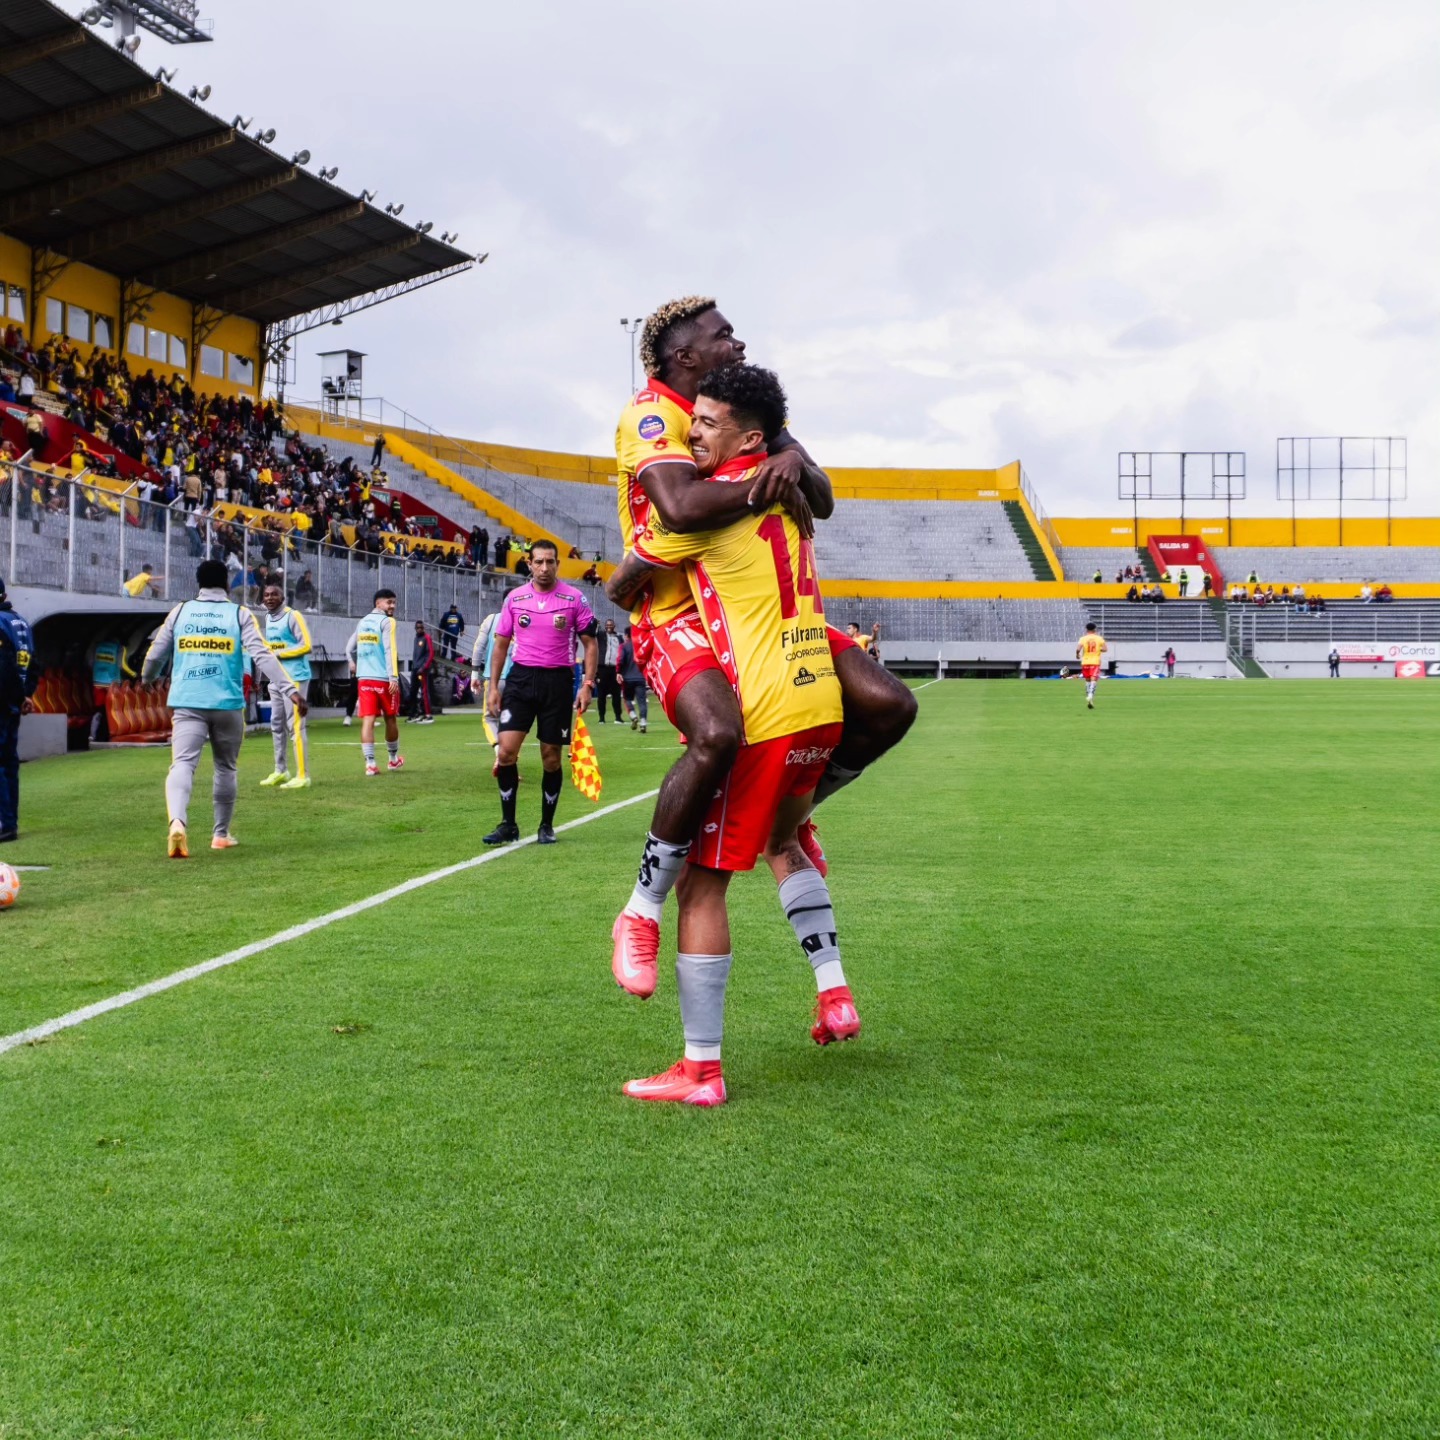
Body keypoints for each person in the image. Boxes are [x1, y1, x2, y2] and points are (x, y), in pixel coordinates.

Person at [606, 298, 917, 993]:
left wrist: (793, 463)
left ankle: (793, 814)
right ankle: (641, 911)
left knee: (888, 703)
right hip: (674, 605)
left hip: (757, 605)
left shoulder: (740, 407)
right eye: (723, 336)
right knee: (718, 734)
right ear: (685, 357)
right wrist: (767, 478)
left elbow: (824, 494)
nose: (738, 342)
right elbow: (680, 509)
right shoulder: (651, 415)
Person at [606, 364, 856, 1105]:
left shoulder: (709, 509)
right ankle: (834, 993)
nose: (692, 432)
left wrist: (643, 565)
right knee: (783, 843)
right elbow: (821, 493)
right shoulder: (791, 491)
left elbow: (625, 585)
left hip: (766, 716)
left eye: (707, 424)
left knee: (702, 887)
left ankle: (700, 1069)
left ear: (748, 437)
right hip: (821, 707)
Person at [141, 560, 305, 857]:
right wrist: (290, 689)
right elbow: (263, 655)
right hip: (227, 703)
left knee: (182, 764)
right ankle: (220, 834)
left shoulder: (180, 611)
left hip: (188, 700)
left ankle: (177, 822)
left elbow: (155, 653)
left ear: (198, 583)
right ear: (226, 585)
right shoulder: (239, 614)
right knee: (225, 767)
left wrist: (147, 678)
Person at [484, 541, 597, 845]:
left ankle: (546, 825)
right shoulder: (515, 598)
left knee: (551, 758)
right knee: (506, 752)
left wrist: (587, 684)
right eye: (539, 562)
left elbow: (590, 644)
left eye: (550, 562)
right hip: (520, 679)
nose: (544, 568)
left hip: (557, 681)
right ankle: (508, 824)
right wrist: (494, 686)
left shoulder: (574, 598)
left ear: (557, 564)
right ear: (529, 564)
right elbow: (501, 645)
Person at [259, 578, 314, 789]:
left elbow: (306, 645)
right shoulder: (268, 617)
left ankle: (302, 775)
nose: (270, 598)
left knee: (296, 726)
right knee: (276, 725)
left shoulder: (294, 615)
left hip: (296, 678)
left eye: (274, 594)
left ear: (283, 597)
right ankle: (281, 770)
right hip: (276, 678)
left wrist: (279, 654)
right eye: (266, 595)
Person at [351, 589, 405, 776]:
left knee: (368, 720)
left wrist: (353, 663)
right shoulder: (387, 621)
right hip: (383, 678)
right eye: (389, 602)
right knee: (390, 718)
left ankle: (370, 764)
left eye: (394, 602)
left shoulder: (362, 621)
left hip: (364, 678)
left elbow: (349, 647)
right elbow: (390, 650)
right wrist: (394, 678)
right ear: (378, 604)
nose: (393, 606)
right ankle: (392, 760)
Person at [0, 577, 38, 843]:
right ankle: (10, 822)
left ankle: (4, 822)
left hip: (2, 701)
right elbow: (34, 664)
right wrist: (26, 695)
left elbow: (4, 668)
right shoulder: (21, 622)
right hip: (13, 704)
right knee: (9, 763)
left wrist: (17, 695)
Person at [618, 625, 648, 732]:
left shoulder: (624, 646)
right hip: (640, 677)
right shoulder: (641, 645)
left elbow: (620, 660)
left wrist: (618, 672)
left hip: (628, 678)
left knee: (627, 699)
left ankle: (633, 715)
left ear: (626, 635)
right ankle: (643, 722)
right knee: (642, 701)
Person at [595, 618, 624, 722]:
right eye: (607, 625)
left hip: (614, 670)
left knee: (616, 695)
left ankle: (618, 717)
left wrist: (621, 670)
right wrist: (595, 623)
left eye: (611, 625)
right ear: (605, 626)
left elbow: (622, 652)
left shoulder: (619, 638)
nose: (609, 626)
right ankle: (601, 718)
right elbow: (595, 632)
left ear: (614, 626)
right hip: (602, 669)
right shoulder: (601, 636)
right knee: (601, 695)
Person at [408, 620, 436, 723]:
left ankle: (428, 715)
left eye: (421, 627)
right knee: (413, 692)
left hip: (422, 670)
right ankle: (414, 714)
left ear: (423, 628)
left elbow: (431, 653)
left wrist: (424, 667)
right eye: (418, 627)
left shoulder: (426, 638)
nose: (419, 629)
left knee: (424, 691)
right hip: (415, 668)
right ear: (415, 628)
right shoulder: (416, 639)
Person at [1076, 621, 1107, 709]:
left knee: (1087, 680)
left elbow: (1078, 648)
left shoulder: (1083, 638)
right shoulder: (1099, 638)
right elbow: (1105, 649)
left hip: (1085, 661)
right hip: (1095, 661)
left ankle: (1090, 699)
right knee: (1094, 678)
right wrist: (1098, 649)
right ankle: (1090, 695)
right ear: (1095, 629)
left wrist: (1077, 654)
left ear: (1086, 629)